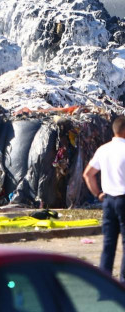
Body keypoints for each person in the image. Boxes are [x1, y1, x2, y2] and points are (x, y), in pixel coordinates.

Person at [83, 115, 125, 281]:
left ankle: (104, 283)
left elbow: (88, 174)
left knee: (108, 244)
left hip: (108, 200)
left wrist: (98, 194)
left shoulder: (103, 149)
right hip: (123, 199)